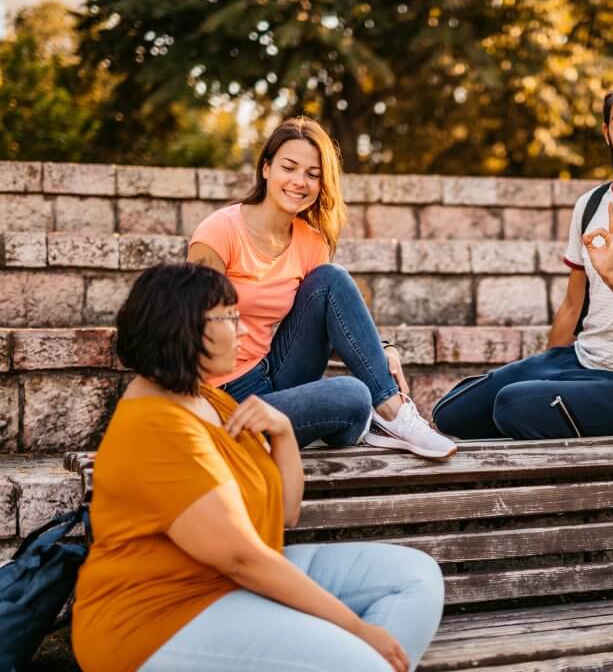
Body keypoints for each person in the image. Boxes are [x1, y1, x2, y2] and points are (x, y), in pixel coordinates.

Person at [71, 263, 445, 672]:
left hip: (234, 585)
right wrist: (355, 628)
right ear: (182, 326)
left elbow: (286, 512)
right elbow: (241, 559)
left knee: (415, 577)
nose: (245, 330)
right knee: (359, 659)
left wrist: (283, 433)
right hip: (156, 619)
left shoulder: (207, 400)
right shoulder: (154, 426)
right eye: (230, 318)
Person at [433, 73, 613, 440]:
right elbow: (572, 306)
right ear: (606, 133)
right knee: (452, 412)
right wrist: (549, 370)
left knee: (512, 405)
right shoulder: (591, 205)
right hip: (582, 362)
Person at [188, 116, 455, 459]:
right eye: (289, 167)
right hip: (227, 395)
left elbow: (335, 323)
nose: (300, 182)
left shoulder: (311, 242)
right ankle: (360, 418)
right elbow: (186, 328)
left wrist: (382, 348)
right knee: (353, 398)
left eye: (313, 174)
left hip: (276, 370)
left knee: (331, 278)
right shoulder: (220, 232)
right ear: (266, 168)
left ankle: (393, 412)